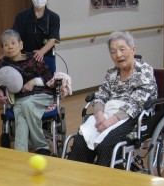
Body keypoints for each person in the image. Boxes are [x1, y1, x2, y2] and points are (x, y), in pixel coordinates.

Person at [67, 31, 157, 167]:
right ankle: (79, 175)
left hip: (133, 116)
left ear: (133, 50)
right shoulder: (112, 72)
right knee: (82, 139)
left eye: (122, 49)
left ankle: (105, 178)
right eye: (113, 51)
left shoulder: (144, 71)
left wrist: (110, 122)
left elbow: (136, 104)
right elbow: (101, 95)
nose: (118, 55)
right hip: (108, 112)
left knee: (107, 143)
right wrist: (99, 117)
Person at [0, 29, 54, 155]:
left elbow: (49, 77)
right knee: (22, 112)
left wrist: (33, 81)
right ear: (2, 49)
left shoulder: (33, 59)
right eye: (6, 45)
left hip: (41, 95)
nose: (10, 47)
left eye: (13, 43)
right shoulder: (2, 65)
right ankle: (21, 153)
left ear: (21, 45)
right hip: (19, 100)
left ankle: (40, 145)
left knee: (25, 105)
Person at [12, 0, 60, 74]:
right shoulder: (22, 16)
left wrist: (41, 52)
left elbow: (53, 39)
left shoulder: (53, 17)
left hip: (46, 58)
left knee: (46, 81)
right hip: (25, 59)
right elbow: (13, 37)